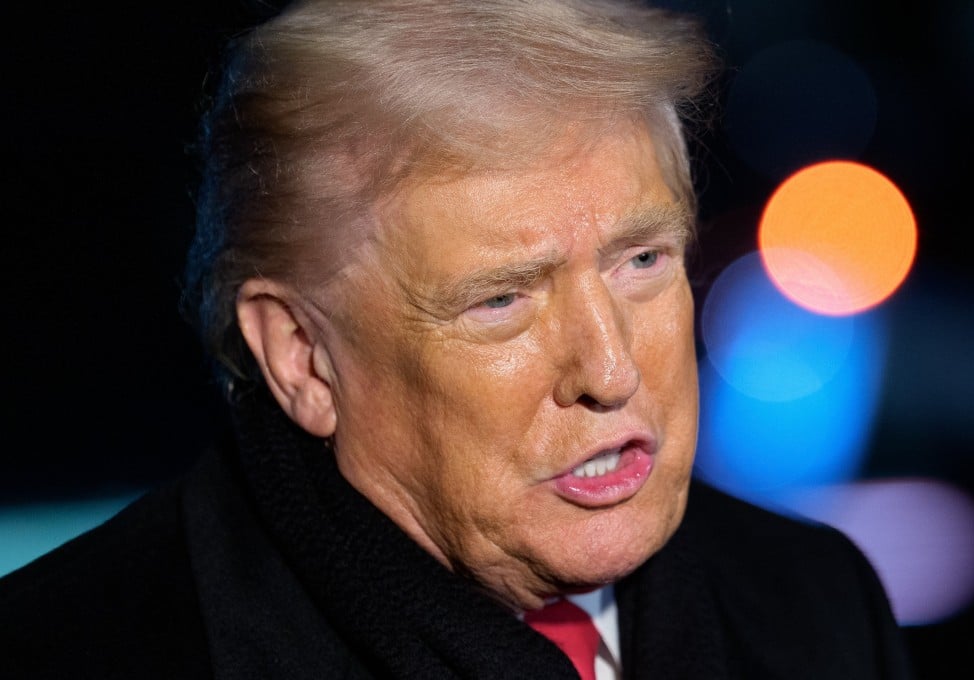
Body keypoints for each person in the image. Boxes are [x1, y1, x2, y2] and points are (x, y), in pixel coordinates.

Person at [0, 0, 914, 677]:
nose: (610, 368)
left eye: (641, 260)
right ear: (301, 357)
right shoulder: (76, 652)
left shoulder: (819, 605)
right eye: (502, 301)